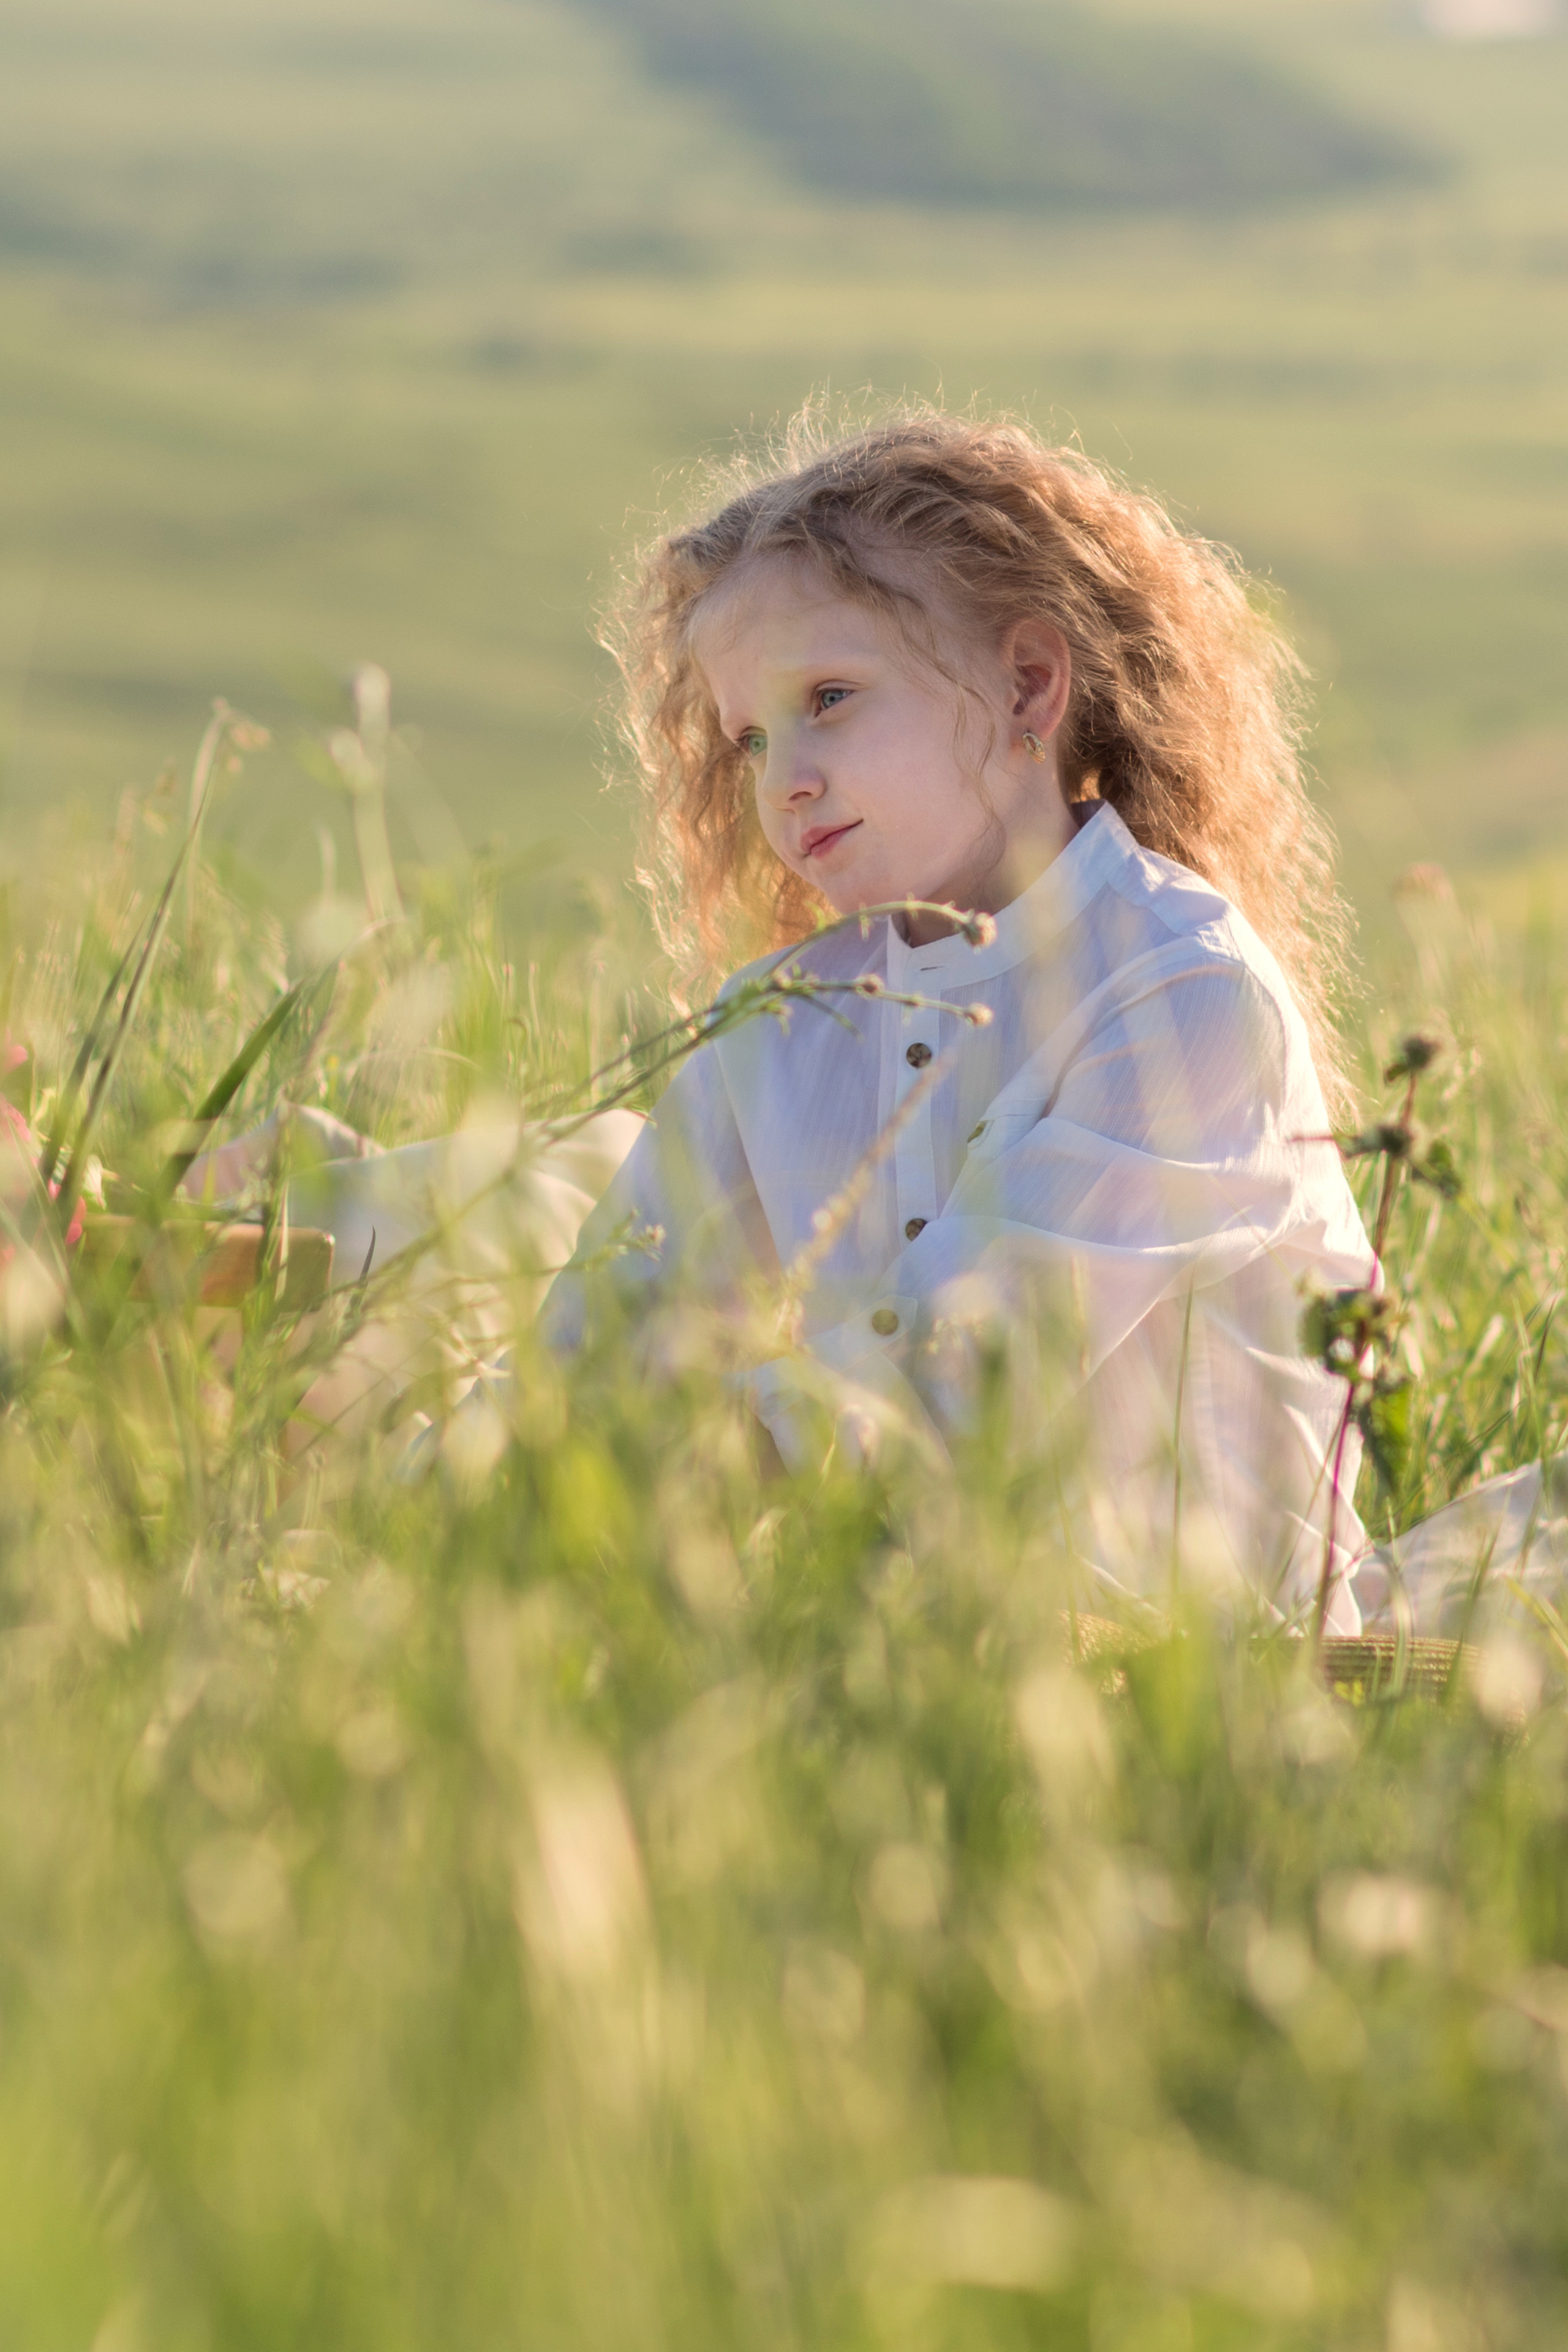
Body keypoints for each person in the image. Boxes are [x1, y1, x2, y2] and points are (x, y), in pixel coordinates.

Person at [536, 409, 1376, 1631]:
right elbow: (596, 1347)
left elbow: (946, 1377)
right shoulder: (781, 1022)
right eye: (751, 737)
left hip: (1215, 1677)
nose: (785, 780)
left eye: (828, 698)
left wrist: (628, 1474)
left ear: (1028, 685)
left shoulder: (1182, 994)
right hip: (919, 1660)